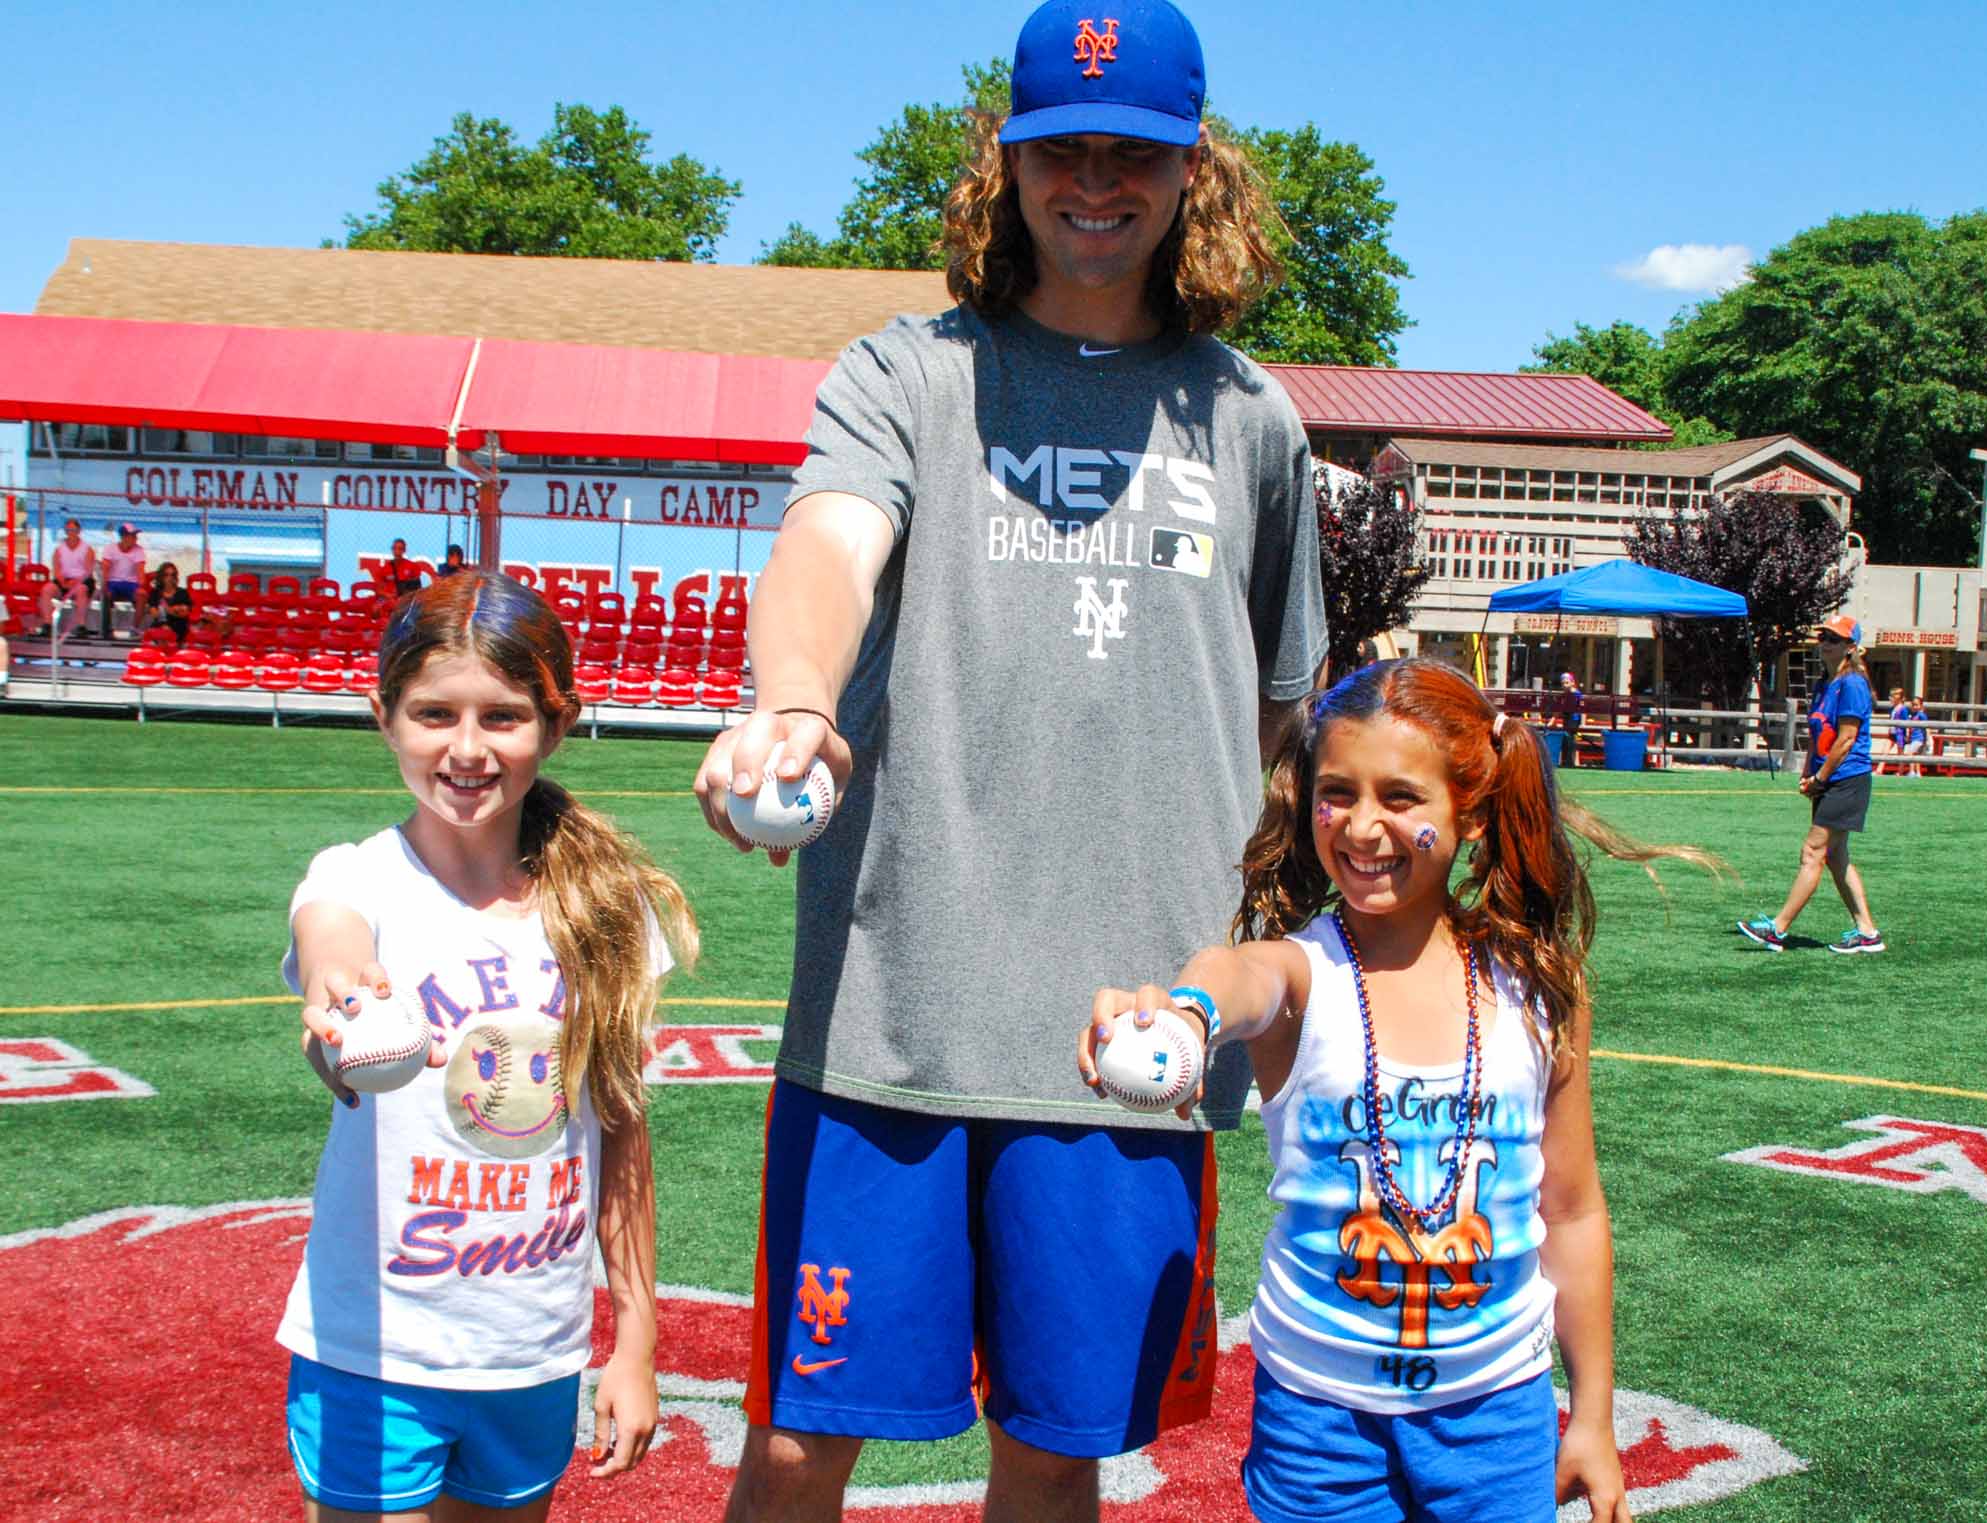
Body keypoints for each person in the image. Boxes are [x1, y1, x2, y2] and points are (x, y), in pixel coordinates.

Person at [693, 3, 1326, 1516]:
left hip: (1129, 1034)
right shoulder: (912, 373)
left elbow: (1276, 721)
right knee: (796, 1437)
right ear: (1009, 162)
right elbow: (826, 553)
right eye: (1061, 147)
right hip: (891, 1013)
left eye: (1135, 153)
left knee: (1057, 1446)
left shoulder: (1251, 418)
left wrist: (1244, 960)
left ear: (1194, 174)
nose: (1093, 180)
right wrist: (793, 699)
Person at [1080, 659, 1710, 1523]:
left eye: (1401, 797)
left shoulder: (1538, 987)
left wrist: (1593, 1414)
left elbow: (1572, 1211)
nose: (1362, 825)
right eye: (1337, 792)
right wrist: (1184, 1015)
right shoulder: (1305, 970)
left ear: (1471, 810)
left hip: (1498, 1413)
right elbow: (1235, 975)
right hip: (1318, 1419)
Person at [280, 571, 698, 1519]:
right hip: (374, 1346)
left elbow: (623, 1135)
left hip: (531, 1349)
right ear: (381, 715)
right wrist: (339, 995)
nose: (467, 748)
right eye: (434, 712)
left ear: (556, 725)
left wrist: (634, 1340)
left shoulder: (606, 907)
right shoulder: (359, 881)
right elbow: (331, 940)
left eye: (502, 717)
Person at [1738, 614, 1884, 954]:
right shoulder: (1824, 684)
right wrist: (1809, 775)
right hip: (1829, 778)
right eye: (1822, 636)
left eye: (1833, 638)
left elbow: (1846, 740)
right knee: (1835, 857)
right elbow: (1819, 735)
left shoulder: (1853, 685)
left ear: (1850, 647)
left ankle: (1778, 928)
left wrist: (1821, 778)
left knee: (1812, 852)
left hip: (1847, 779)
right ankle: (1867, 932)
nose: (1825, 643)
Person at [37, 518, 95, 638]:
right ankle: (47, 624)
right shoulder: (59, 549)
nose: (71, 532)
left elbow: (88, 571)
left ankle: (81, 626)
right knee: (46, 589)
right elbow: (56, 568)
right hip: (63, 581)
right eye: (68, 530)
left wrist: (76, 582)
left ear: (79, 531)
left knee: (81, 590)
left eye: (73, 530)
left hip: (81, 581)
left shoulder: (87, 549)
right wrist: (63, 581)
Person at [98, 523, 148, 637]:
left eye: (136, 535)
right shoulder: (109, 549)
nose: (136, 538)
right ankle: (106, 628)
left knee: (142, 595)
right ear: (124, 537)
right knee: (106, 595)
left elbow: (140, 569)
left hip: (131, 584)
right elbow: (105, 569)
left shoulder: (139, 550)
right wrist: (104, 586)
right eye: (133, 535)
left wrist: (141, 582)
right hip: (113, 582)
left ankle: (134, 628)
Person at [145, 561, 192, 645]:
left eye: (172, 575)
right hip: (159, 625)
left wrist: (167, 610)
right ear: (161, 577)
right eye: (166, 575)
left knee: (168, 631)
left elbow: (184, 613)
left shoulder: (182, 592)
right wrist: (174, 610)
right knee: (162, 630)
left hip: (178, 625)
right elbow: (154, 614)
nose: (169, 578)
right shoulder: (155, 592)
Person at [1555, 671, 1583, 768]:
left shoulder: (1577, 694)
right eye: (1563, 683)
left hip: (1574, 719)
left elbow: (1581, 706)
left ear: (1572, 683)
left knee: (1570, 738)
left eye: (1567, 683)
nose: (1564, 685)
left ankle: (1570, 761)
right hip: (1567, 718)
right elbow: (1559, 708)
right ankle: (1565, 761)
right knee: (1566, 738)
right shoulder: (1563, 695)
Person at [1883, 686, 1910, 776]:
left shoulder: (1903, 709)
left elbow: (1906, 722)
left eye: (1892, 697)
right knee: (1885, 751)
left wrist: (1907, 734)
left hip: (1900, 733)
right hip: (1892, 733)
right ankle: (1879, 769)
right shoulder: (1892, 709)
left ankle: (1900, 771)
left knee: (1900, 753)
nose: (1890, 699)